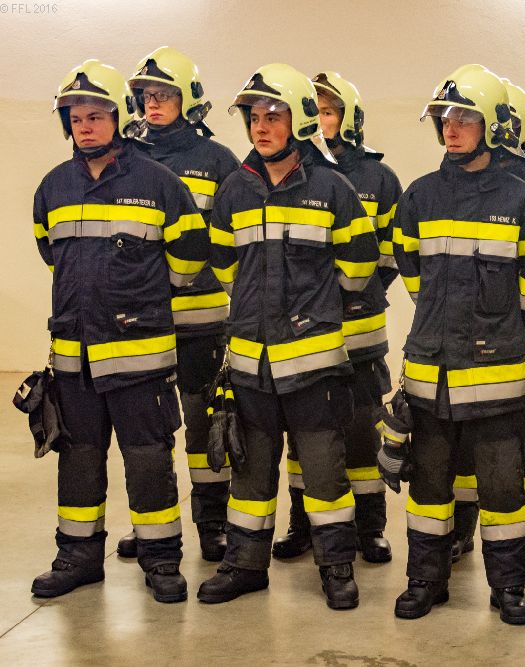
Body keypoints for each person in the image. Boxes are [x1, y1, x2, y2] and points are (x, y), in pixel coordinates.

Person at [197, 63, 379, 609]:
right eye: (254, 117)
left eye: (273, 116)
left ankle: (336, 567)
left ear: (298, 121)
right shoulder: (234, 190)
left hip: (314, 365)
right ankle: (244, 566)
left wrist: (311, 312)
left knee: (324, 472)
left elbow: (358, 268)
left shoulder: (333, 189)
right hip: (250, 364)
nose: (261, 126)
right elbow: (224, 265)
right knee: (250, 473)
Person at [30, 59, 209, 602]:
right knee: (78, 459)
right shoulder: (53, 186)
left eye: (95, 116)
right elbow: (50, 253)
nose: (84, 127)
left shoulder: (158, 183)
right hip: (75, 357)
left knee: (148, 458)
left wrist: (138, 300)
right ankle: (77, 558)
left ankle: (161, 560)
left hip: (140, 356)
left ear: (119, 118)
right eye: (75, 119)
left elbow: (189, 258)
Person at [390, 64, 525, 624]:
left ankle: (508, 587)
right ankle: (425, 581)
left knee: (503, 488)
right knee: (429, 487)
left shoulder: (524, 200)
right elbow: (412, 275)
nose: (451, 128)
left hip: (495, 376)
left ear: (492, 125)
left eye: (464, 118)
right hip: (431, 373)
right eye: (445, 118)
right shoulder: (419, 196)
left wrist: (497, 322)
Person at [271, 71, 402, 565]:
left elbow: (388, 255)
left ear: (350, 119)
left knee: (361, 430)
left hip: (358, 331)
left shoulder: (378, 178)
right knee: (303, 436)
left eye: (329, 111)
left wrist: (348, 295)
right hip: (302, 336)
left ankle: (370, 528)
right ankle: (303, 523)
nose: (321, 120)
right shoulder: (287, 173)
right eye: (315, 111)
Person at [121, 46, 241, 562]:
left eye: (164, 94)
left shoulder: (218, 160)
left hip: (201, 321)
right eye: (146, 95)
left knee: (204, 423)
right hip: (140, 322)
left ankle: (212, 523)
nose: (153, 103)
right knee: (148, 431)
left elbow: (235, 235)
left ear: (188, 99)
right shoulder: (126, 156)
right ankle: (154, 525)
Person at [449, 77, 525, 571]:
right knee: (464, 446)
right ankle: (461, 528)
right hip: (467, 351)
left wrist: (503, 316)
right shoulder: (455, 187)